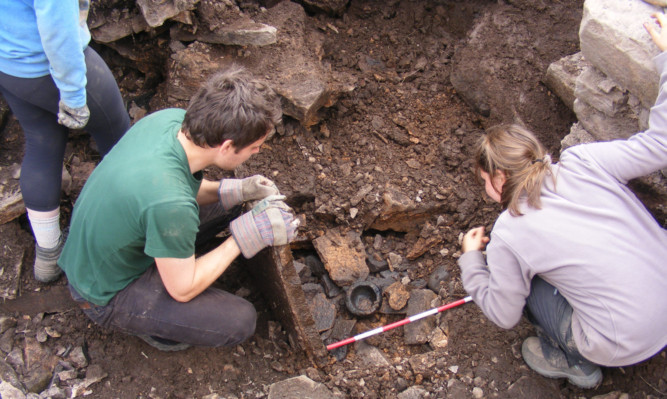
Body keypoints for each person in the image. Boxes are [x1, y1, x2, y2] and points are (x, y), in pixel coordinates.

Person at [456, 14, 667, 389]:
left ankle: (573, 360)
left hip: (623, 341)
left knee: (532, 291)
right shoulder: (586, 161)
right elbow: (660, 144)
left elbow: (503, 314)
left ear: (500, 179)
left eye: (484, 181)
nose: (486, 189)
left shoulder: (510, 231)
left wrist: (472, 261)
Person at [58, 65, 298, 352]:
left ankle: (174, 260)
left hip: (101, 247)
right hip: (104, 291)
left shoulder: (171, 122)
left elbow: (180, 187)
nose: (257, 151)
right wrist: (242, 238)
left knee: (232, 206)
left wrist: (237, 189)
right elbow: (182, 290)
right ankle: (156, 326)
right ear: (227, 146)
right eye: (255, 147)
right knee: (241, 320)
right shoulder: (171, 204)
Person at [0, 0, 130, 283]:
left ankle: (48, 252)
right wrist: (73, 93)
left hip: (11, 66)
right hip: (46, 63)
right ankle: (119, 234)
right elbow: (57, 27)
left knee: (41, 143)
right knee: (120, 142)